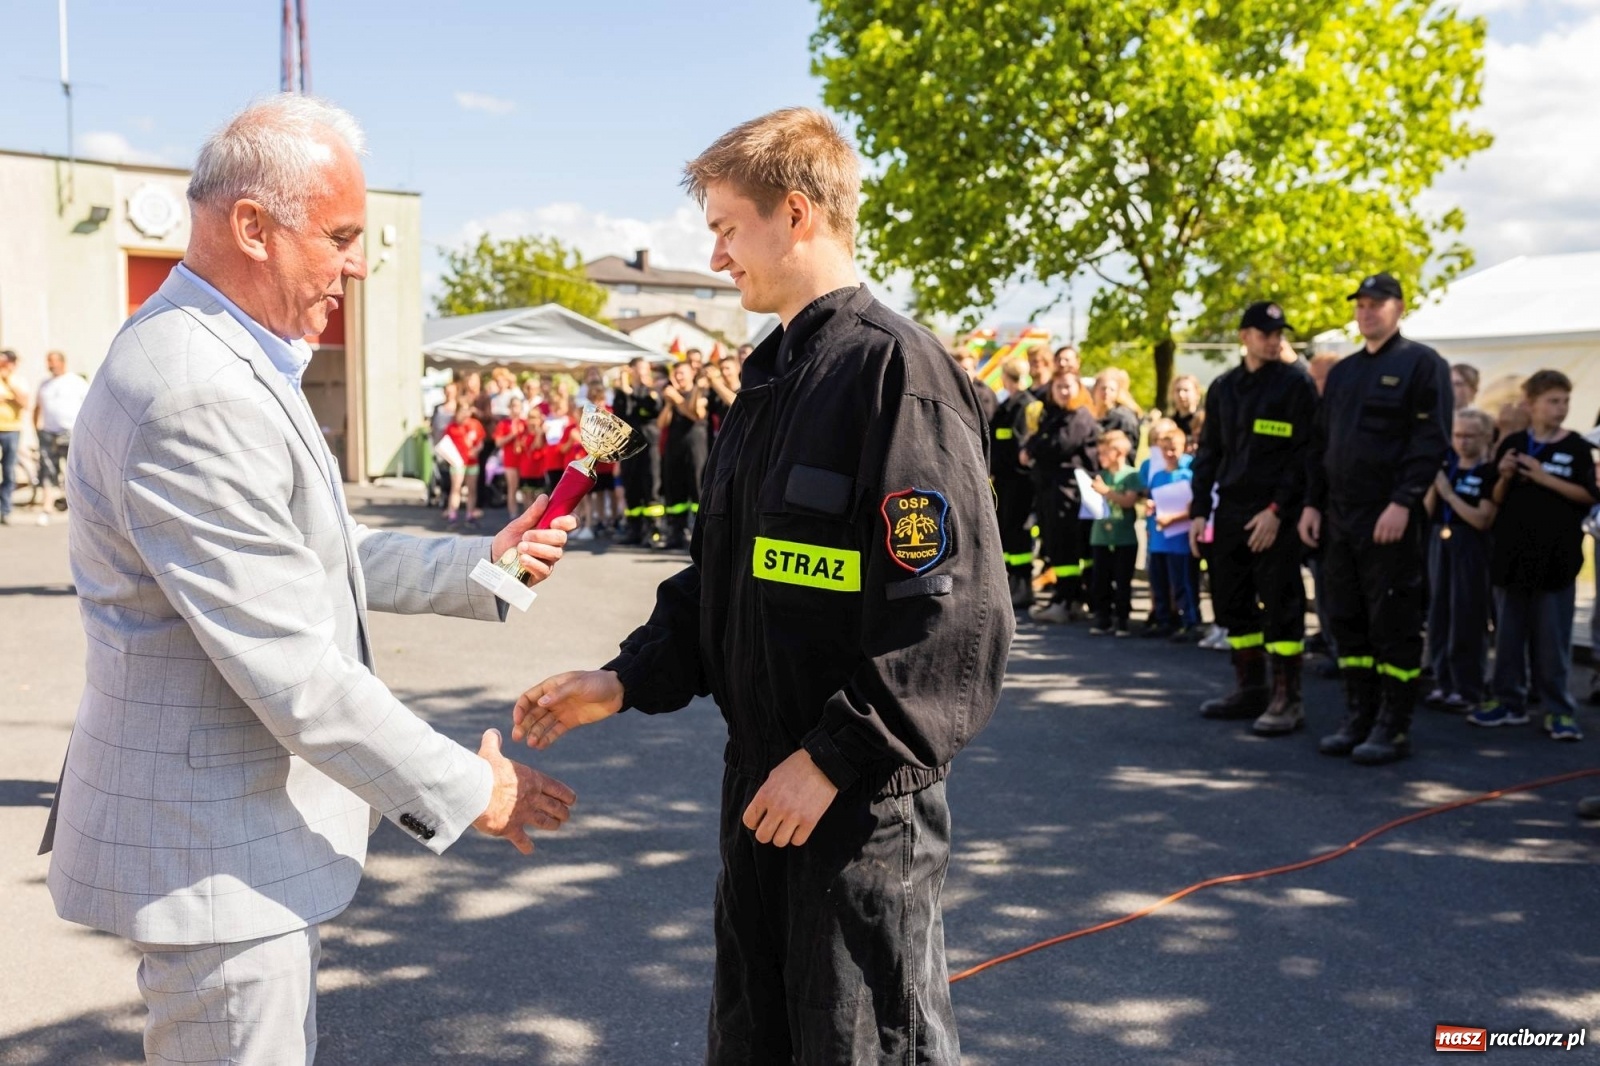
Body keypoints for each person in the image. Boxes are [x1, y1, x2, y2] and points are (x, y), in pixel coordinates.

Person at [39, 95, 577, 1065]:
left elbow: (319, 549)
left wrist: (478, 564)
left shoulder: (222, 359)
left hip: (231, 847)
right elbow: (295, 673)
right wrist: (472, 790)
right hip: (216, 861)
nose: (359, 264)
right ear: (252, 226)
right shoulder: (195, 388)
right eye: (339, 237)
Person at [513, 107, 1011, 1066]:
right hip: (763, 786)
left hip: (858, 806)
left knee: (865, 1045)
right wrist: (623, 680)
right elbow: (729, 580)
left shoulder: (895, 374)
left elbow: (953, 624)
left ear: (796, 214)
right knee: (757, 1039)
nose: (715, 256)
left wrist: (832, 756)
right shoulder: (772, 374)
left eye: (726, 227)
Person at [1300, 272, 1452, 765]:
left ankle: (1395, 725)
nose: (1367, 311)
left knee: (1394, 621)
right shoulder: (1343, 373)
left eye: (1377, 303)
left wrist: (1403, 502)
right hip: (1340, 518)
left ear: (1399, 308)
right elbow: (1321, 446)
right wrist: (1310, 504)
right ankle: (1358, 715)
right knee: (1347, 620)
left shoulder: (1422, 365)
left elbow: (1430, 442)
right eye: (1361, 304)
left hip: (1389, 517)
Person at [1188, 302, 1319, 735]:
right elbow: (1209, 454)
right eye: (1265, 332)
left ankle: (1289, 698)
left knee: (1282, 604)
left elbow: (1304, 457)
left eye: (1279, 332)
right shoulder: (1224, 388)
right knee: (1230, 601)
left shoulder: (1295, 385)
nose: (1275, 339)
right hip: (1230, 511)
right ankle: (1251, 689)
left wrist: (1277, 512)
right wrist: (1199, 511)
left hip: (1274, 513)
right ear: (1244, 336)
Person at [1469, 371, 1599, 740]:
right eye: (1552, 401)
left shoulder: (1575, 447)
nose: (1560, 408)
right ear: (1531, 404)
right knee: (1508, 636)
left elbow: (1589, 496)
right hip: (1512, 556)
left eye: (1564, 401)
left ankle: (1558, 708)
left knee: (1552, 641)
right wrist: (1506, 475)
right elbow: (1494, 499)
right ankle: (1508, 700)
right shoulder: (1512, 443)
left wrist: (1543, 477)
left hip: (1556, 559)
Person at [1422, 408, 1498, 713]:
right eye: (1457, 435)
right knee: (1438, 612)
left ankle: (1468, 686)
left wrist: (1450, 495)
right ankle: (1443, 681)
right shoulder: (1446, 466)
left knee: (1466, 613)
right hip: (1440, 538)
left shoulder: (1487, 472)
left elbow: (1482, 519)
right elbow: (1427, 511)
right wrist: (1432, 485)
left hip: (1471, 544)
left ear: (1485, 437)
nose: (1463, 442)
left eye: (1470, 436)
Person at [1023, 370, 1101, 624]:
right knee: (1056, 546)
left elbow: (1060, 445)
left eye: (1068, 386)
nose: (1064, 391)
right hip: (1051, 488)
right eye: (1059, 387)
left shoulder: (1079, 416)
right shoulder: (1055, 416)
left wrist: (1035, 446)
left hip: (1068, 490)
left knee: (1065, 545)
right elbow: (1038, 440)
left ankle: (1068, 599)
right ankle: (1066, 596)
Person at [1142, 425, 1200, 639]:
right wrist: (1152, 507)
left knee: (1182, 584)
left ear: (1183, 448)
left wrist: (1172, 518)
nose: (1169, 453)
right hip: (1159, 541)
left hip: (1180, 542)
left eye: (1173, 448)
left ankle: (1189, 622)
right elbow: (1156, 502)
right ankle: (1163, 619)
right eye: (1164, 449)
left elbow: (1192, 507)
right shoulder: (1157, 477)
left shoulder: (1187, 475)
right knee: (1160, 583)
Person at [990, 356, 1036, 607]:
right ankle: (1011, 581)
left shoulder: (1025, 406)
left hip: (1019, 482)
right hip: (1005, 481)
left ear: (1006, 378)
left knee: (1018, 532)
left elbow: (1019, 444)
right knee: (1007, 531)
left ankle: (1022, 583)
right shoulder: (1008, 406)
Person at [1087, 429, 1143, 636]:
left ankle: (1122, 618)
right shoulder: (1101, 475)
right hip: (1101, 536)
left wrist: (1107, 492)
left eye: (1104, 453)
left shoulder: (1131, 475)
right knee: (1100, 579)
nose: (1099, 457)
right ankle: (1103, 617)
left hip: (1124, 538)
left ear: (1118, 452)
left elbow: (1129, 501)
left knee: (1122, 580)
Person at [32, 350, 89, 522]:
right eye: (48, 362)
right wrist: (37, 428)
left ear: (62, 362)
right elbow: (37, 407)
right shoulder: (45, 384)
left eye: (53, 361)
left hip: (70, 432)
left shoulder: (76, 382)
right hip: (49, 432)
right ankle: (47, 508)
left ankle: (76, 505)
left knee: (73, 469)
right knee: (48, 470)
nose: (50, 365)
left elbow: (88, 406)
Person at [615, 356, 665, 546]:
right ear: (632, 370)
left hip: (649, 445)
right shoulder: (622, 392)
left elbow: (652, 409)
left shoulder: (651, 391)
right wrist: (625, 388)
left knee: (651, 487)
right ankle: (634, 529)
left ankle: (654, 530)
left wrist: (632, 392)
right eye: (640, 369)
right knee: (631, 487)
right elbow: (621, 415)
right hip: (629, 447)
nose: (644, 373)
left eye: (646, 369)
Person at [660, 360, 709, 551]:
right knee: (674, 490)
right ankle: (676, 532)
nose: (679, 377)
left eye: (682, 373)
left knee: (697, 487)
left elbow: (696, 414)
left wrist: (677, 399)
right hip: (674, 449)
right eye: (676, 373)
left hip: (696, 447)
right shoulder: (671, 396)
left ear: (692, 374)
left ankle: (701, 535)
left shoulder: (701, 392)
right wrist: (668, 404)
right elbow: (661, 424)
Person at [444, 400, 487, 527]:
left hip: (472, 462)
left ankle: (470, 515)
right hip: (457, 462)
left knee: (471, 489)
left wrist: (476, 450)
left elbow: (481, 442)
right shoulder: (452, 427)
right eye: (462, 411)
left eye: (467, 411)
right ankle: (452, 515)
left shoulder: (475, 424)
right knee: (456, 488)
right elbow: (446, 444)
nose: (465, 414)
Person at [0, 348, 29, 525]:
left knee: (8, 471)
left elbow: (24, 402)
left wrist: (7, 380)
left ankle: (4, 510)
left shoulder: (18, 380)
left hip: (11, 430)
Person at [495, 394, 531, 521]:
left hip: (524, 459)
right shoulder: (504, 423)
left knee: (527, 487)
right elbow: (498, 442)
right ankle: (513, 513)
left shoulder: (525, 423)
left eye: (518, 407)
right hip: (510, 460)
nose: (516, 409)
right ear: (510, 407)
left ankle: (528, 513)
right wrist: (511, 435)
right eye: (514, 406)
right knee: (513, 487)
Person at [1168, 374, 1203, 442]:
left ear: (1197, 393)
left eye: (1186, 390)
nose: (1181, 395)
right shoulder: (1170, 424)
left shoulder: (1204, 421)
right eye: (1178, 390)